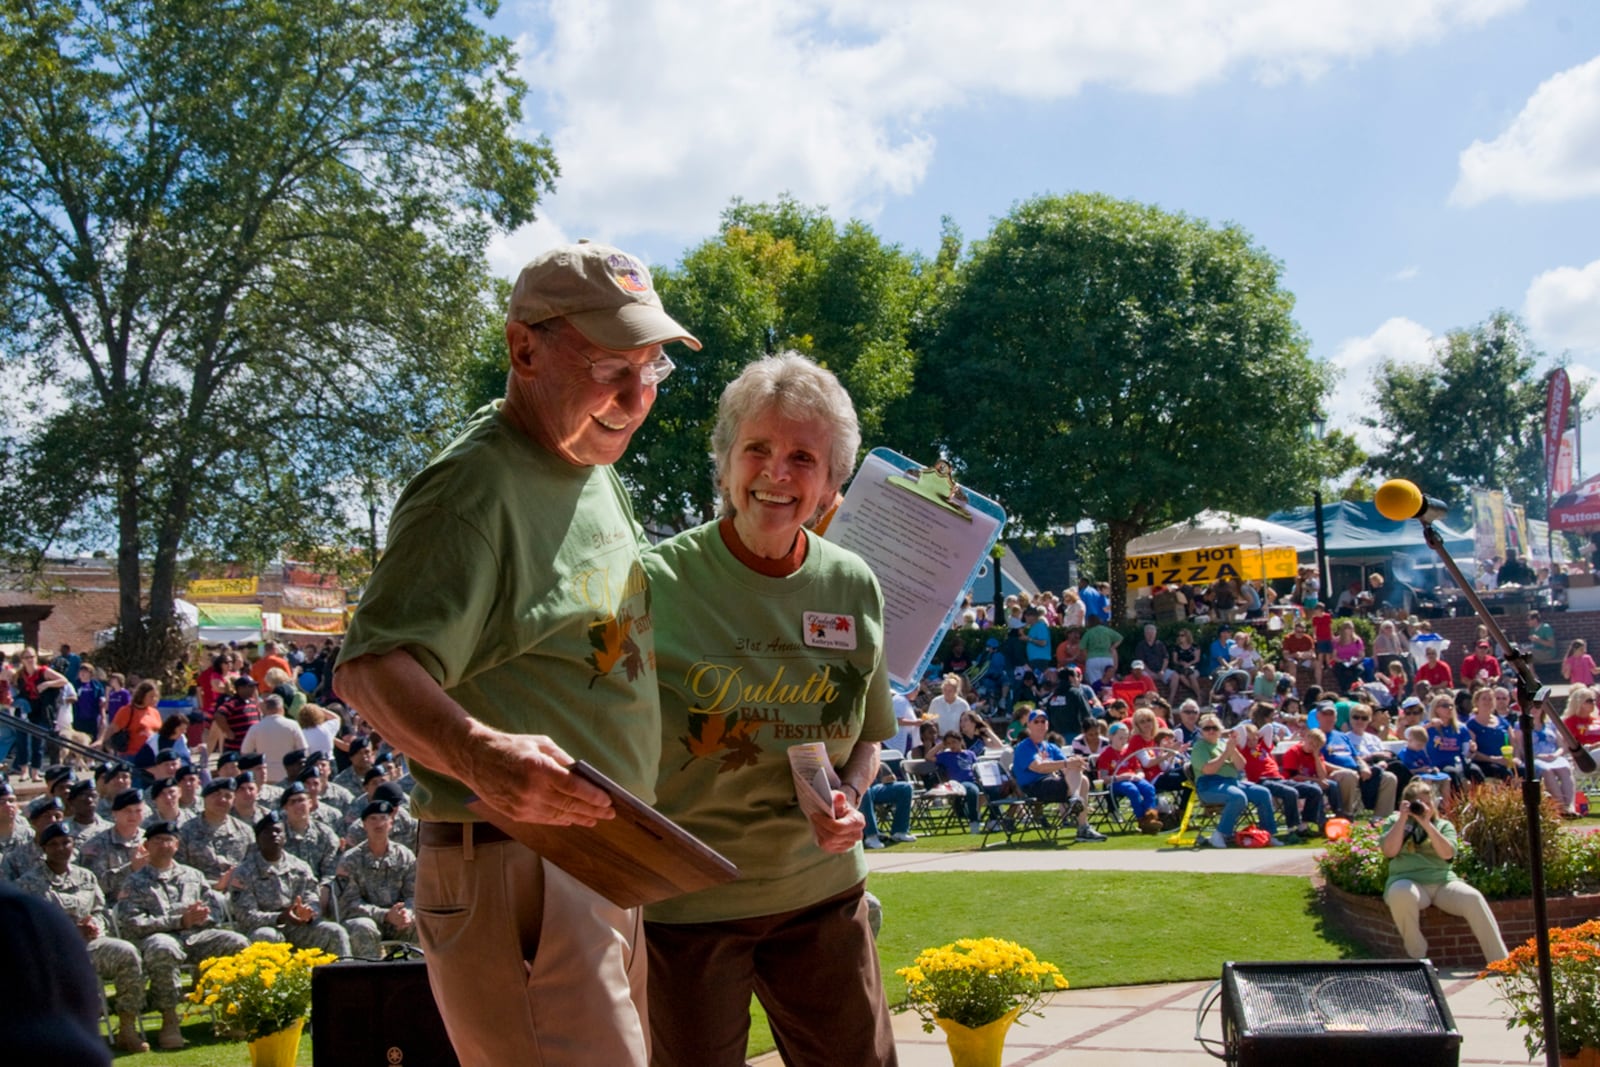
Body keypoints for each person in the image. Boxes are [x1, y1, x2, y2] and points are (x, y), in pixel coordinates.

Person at [334, 242, 699, 1067]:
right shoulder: (471, 490)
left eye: (652, 369)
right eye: (612, 365)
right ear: (523, 348)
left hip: (602, 869)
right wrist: (476, 751)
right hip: (518, 870)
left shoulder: (588, 464)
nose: (636, 397)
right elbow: (368, 666)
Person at [637, 353, 896, 1065]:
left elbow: (868, 734)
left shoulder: (852, 585)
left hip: (823, 899)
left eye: (803, 456)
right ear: (724, 464)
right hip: (686, 909)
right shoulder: (654, 583)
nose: (777, 472)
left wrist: (849, 792)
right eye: (758, 448)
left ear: (832, 484)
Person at [16, 823, 149, 1052]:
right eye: (54, 844)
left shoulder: (86, 877)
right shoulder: (28, 883)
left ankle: (127, 1028)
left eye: (66, 842)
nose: (61, 848)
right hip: (51, 952)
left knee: (127, 953)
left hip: (91, 945)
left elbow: (101, 911)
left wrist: (94, 925)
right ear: (43, 848)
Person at [1380, 780, 1508, 964]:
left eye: (1428, 802)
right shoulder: (1395, 822)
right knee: (1399, 892)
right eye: (1419, 803)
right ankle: (1418, 956)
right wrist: (1402, 819)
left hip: (1442, 883)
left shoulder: (1443, 825)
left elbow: (1447, 855)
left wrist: (1427, 824)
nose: (1424, 807)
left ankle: (1500, 961)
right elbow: (1389, 851)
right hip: (1407, 880)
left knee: (1473, 897)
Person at [228, 811, 351, 956]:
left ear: (285, 837)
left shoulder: (300, 867)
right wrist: (281, 917)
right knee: (266, 936)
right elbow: (247, 917)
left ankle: (345, 976)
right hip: (265, 930)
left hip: (300, 929)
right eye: (268, 832)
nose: (274, 835)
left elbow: (312, 898)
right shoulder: (244, 872)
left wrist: (308, 912)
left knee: (335, 932)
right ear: (258, 839)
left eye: (278, 831)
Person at [337, 797, 419, 959]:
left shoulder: (405, 856)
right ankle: (370, 978)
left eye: (383, 818)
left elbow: (413, 894)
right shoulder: (351, 859)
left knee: (421, 924)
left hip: (398, 921)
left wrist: (407, 913)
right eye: (373, 819)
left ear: (391, 823)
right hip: (365, 920)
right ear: (364, 824)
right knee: (364, 926)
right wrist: (386, 915)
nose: (378, 824)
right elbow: (349, 904)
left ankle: (417, 978)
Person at [1190, 712, 1281, 847]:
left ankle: (1267, 834)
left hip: (1232, 782)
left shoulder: (1222, 744)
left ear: (1220, 730)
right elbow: (1209, 770)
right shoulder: (1199, 747)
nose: (1211, 731)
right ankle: (1220, 834)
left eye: (1214, 728)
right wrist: (1227, 752)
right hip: (1209, 785)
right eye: (1207, 728)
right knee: (1237, 797)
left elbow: (1240, 766)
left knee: (1263, 792)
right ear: (1201, 732)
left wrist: (1232, 749)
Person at [1012, 709, 1104, 841]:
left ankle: (1077, 807)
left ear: (1047, 725)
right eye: (1036, 721)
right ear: (1029, 725)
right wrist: (1067, 763)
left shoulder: (1051, 747)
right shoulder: (1024, 747)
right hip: (1034, 787)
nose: (1040, 724)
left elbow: (1068, 767)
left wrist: (1077, 764)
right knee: (1076, 772)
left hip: (1052, 783)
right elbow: (1039, 767)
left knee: (1081, 777)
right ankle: (1080, 815)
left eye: (1043, 721)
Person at [240, 693, 307, 780]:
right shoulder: (293, 725)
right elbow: (303, 750)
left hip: (264, 774)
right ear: (282, 708)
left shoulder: (255, 728)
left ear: (266, 709)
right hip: (288, 773)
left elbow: (245, 752)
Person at [1168, 629, 1202, 702]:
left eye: (1182, 635)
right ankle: (1195, 691)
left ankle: (1199, 696)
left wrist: (1189, 664)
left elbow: (1197, 659)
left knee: (1192, 676)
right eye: (1179, 635)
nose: (1180, 637)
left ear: (1187, 636)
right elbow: (1175, 660)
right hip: (1181, 668)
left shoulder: (1195, 646)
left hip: (1193, 667)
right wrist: (1182, 663)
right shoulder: (1176, 648)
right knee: (1181, 676)